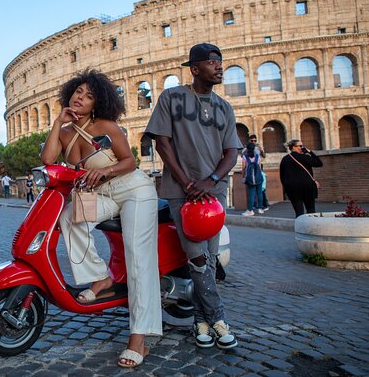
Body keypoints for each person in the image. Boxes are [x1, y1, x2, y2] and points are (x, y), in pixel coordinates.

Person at [41, 68, 160, 369]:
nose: (81, 97)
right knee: (70, 218)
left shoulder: (106, 126)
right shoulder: (66, 131)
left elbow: (130, 161)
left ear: (98, 103)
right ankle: (101, 278)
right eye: (78, 92)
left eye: (89, 95)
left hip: (133, 190)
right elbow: (47, 159)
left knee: (137, 256)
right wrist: (58, 123)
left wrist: (104, 171)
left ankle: (139, 338)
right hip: (103, 196)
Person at [145, 42, 242, 350]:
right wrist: (187, 182)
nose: (219, 67)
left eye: (221, 62)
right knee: (197, 258)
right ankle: (219, 320)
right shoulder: (171, 98)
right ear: (195, 68)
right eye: (213, 62)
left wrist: (211, 179)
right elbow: (162, 143)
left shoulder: (224, 107)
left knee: (208, 259)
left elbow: (231, 152)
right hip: (180, 192)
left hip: (213, 193)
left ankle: (200, 322)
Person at [279, 139, 323, 217]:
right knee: (311, 209)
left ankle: (300, 227)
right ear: (293, 147)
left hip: (292, 188)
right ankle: (311, 227)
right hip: (307, 187)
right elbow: (319, 163)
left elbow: (282, 176)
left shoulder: (285, 159)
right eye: (300, 146)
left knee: (299, 212)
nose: (302, 148)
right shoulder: (304, 157)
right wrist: (310, 152)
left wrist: (286, 187)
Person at [243, 134, 269, 211]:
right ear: (249, 140)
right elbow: (243, 156)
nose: (254, 142)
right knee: (254, 191)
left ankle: (264, 205)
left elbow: (264, 156)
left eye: (255, 140)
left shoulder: (258, 148)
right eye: (252, 141)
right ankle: (255, 206)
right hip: (251, 171)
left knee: (261, 190)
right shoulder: (246, 149)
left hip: (258, 171)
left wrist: (261, 150)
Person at [241, 142, 264, 216]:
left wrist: (243, 176)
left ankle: (250, 210)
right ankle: (260, 209)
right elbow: (260, 167)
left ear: (247, 149)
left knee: (251, 194)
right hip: (259, 177)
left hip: (250, 178)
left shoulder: (244, 157)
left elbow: (243, 168)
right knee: (259, 193)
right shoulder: (258, 156)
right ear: (254, 149)